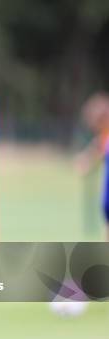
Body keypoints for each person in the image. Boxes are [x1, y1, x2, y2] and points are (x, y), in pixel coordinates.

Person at [76, 92, 109, 240]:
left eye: (93, 122)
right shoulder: (103, 138)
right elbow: (95, 152)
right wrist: (86, 162)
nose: (92, 126)